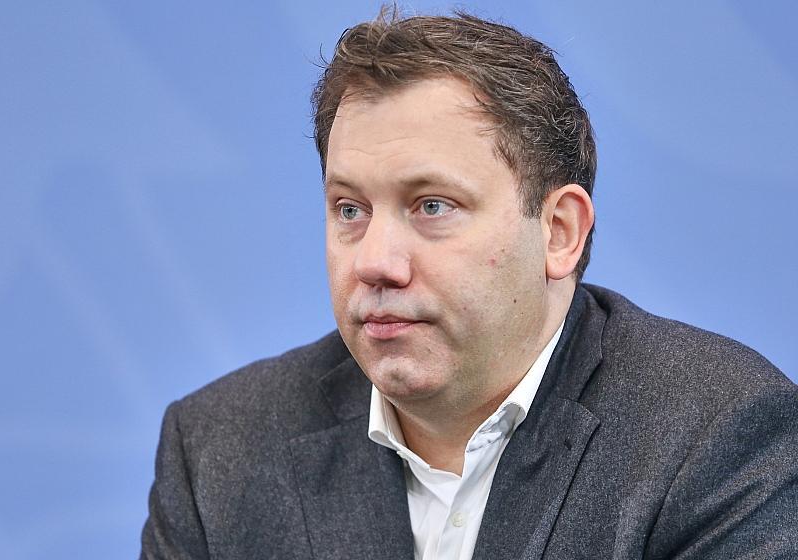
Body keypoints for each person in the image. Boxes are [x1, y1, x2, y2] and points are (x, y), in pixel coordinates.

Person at [140, 9, 798, 560]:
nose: (375, 262)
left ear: (559, 232)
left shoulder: (715, 435)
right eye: (350, 210)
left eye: (432, 206)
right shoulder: (219, 451)